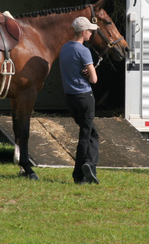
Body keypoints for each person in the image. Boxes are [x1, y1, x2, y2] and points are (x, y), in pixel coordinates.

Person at [59, 16, 100, 185]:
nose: (91, 33)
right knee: (86, 135)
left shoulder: (64, 48)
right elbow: (94, 79)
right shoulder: (84, 50)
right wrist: (88, 72)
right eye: (90, 31)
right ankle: (81, 173)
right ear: (83, 32)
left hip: (70, 98)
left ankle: (89, 167)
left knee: (90, 133)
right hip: (85, 97)